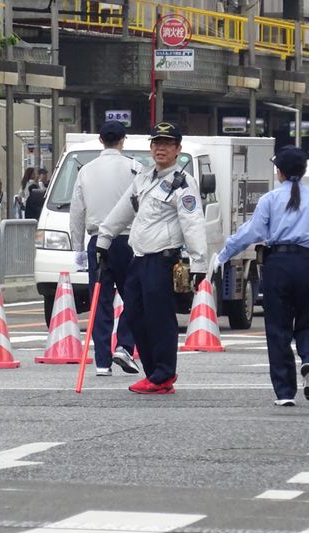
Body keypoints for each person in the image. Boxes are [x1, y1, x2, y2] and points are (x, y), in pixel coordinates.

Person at [213, 145, 309, 407]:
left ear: (280, 172)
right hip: (308, 263)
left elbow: (252, 231)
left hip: (278, 264)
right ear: (303, 171)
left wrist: (224, 254)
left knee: (278, 327)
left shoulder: (270, 199)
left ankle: (285, 392)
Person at [96, 121, 207, 395]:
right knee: (135, 316)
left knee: (160, 319)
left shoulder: (183, 183)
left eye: (167, 144)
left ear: (178, 149)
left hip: (162, 260)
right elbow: (123, 209)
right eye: (157, 143)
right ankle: (154, 373)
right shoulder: (144, 177)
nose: (161, 149)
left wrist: (199, 262)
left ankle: (164, 374)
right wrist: (104, 239)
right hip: (138, 258)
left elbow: (193, 222)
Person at [69, 120, 140, 377]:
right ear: (123, 140)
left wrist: (78, 249)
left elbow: (77, 212)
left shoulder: (86, 171)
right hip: (128, 240)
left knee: (100, 301)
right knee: (134, 296)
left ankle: (102, 362)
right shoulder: (135, 168)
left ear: (101, 140)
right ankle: (124, 345)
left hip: (97, 241)